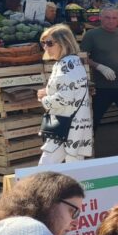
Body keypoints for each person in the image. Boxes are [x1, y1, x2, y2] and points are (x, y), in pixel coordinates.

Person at [37, 24, 93, 164]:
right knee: (74, 170)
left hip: (65, 127)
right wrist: (49, 91)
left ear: (64, 43)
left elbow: (64, 98)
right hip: (76, 125)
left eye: (50, 43)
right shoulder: (73, 62)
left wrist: (44, 98)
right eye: (43, 43)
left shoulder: (65, 65)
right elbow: (69, 89)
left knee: (45, 168)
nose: (46, 47)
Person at [81, 6, 118, 126]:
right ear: (101, 18)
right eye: (107, 17)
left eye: (114, 18)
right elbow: (83, 58)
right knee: (93, 121)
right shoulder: (91, 35)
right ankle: (90, 143)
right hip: (101, 87)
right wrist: (99, 67)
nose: (111, 20)